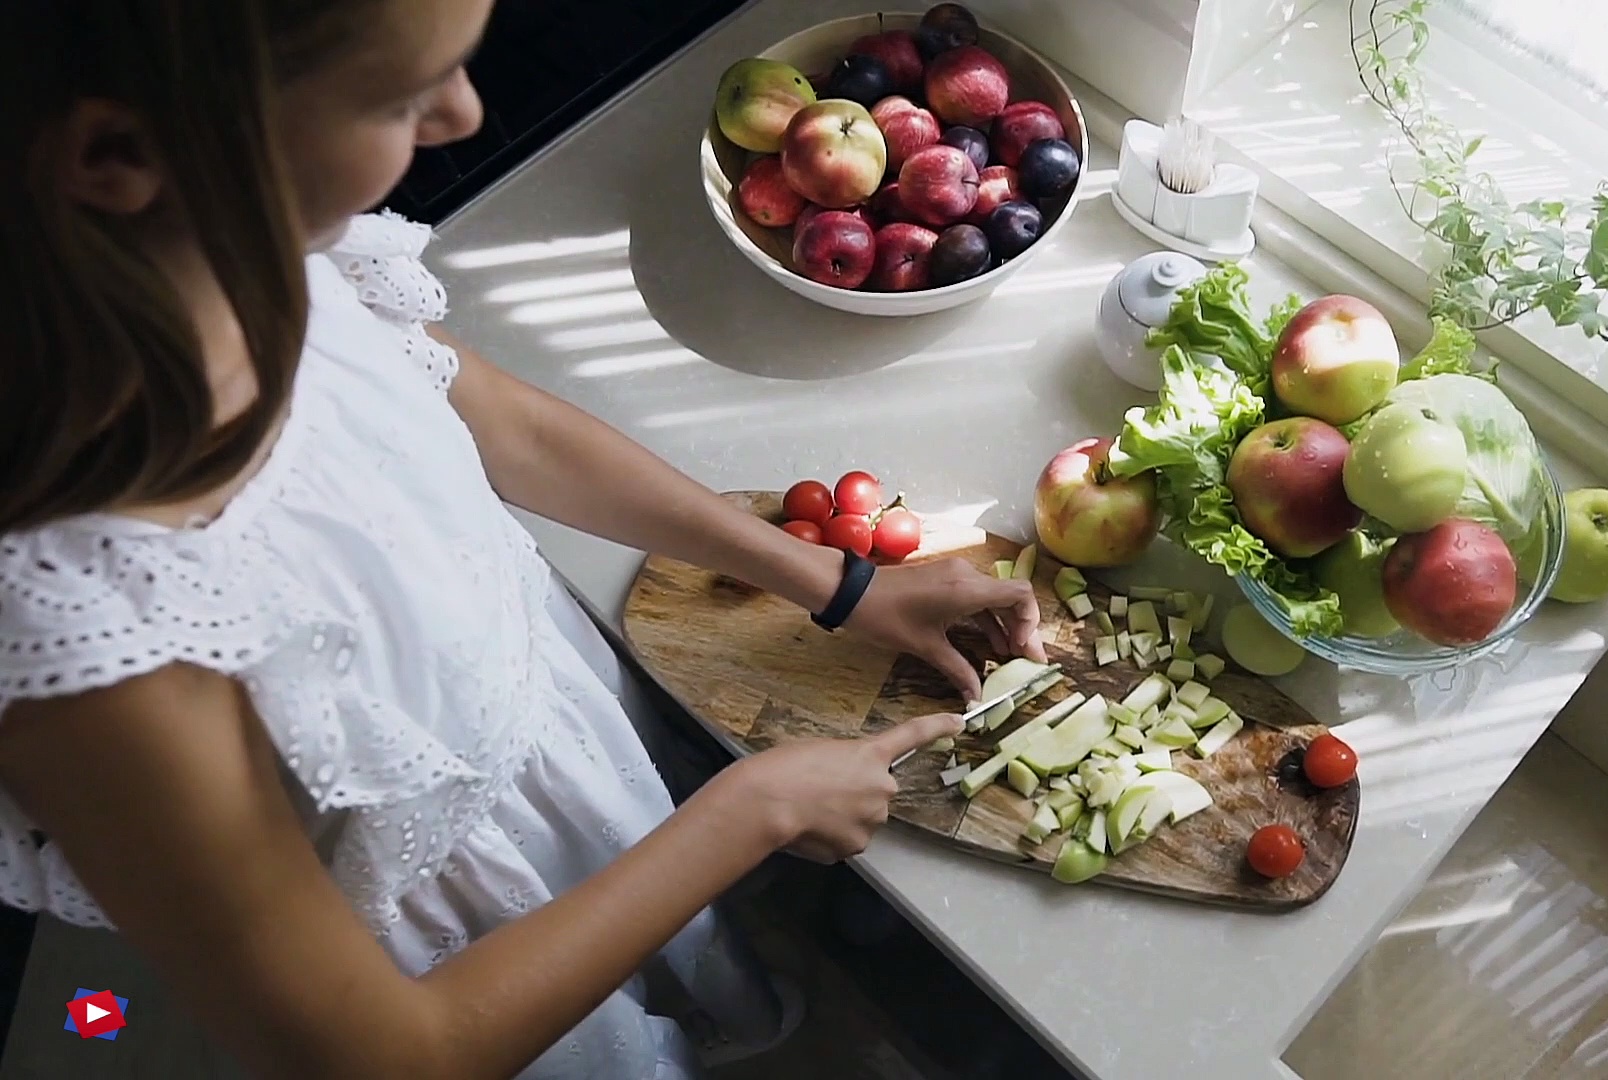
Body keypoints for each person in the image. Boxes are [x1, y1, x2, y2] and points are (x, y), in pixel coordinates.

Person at [0, 3, 1045, 1077]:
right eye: (404, 97)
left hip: (548, 755)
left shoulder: (242, 247)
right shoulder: (91, 649)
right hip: (436, 958)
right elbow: (396, 1055)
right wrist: (752, 811)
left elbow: (498, 422)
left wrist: (837, 582)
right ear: (120, 154)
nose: (464, 114)